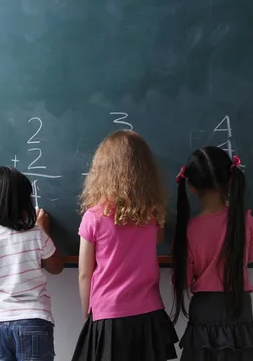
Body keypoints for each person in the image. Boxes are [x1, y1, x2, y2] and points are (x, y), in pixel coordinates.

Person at [72, 130, 179, 361]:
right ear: (145, 171)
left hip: (108, 315)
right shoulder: (152, 214)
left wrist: (87, 315)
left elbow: (84, 274)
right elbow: (158, 239)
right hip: (149, 314)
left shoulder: (93, 217)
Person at [171, 147, 253, 361]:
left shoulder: (191, 230)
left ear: (191, 187)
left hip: (205, 309)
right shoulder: (245, 220)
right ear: (230, 180)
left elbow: (182, 279)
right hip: (238, 306)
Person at [0, 166, 64, 361]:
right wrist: (43, 230)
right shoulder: (36, 235)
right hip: (34, 321)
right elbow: (56, 267)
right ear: (22, 204)